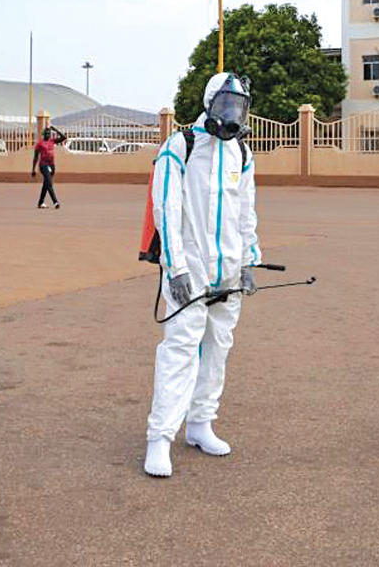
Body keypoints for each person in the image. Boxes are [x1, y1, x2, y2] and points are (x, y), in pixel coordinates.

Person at [144, 72, 262, 477]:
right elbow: (166, 210)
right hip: (188, 272)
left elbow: (246, 213)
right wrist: (174, 267)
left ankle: (200, 423)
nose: (231, 113)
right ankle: (160, 438)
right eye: (225, 104)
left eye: (238, 106)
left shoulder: (242, 156)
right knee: (179, 351)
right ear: (210, 104)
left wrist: (248, 261)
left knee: (218, 349)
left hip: (227, 272)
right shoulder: (182, 147)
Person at [31, 125, 65, 209]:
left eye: (49, 133)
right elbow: (35, 157)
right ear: (43, 134)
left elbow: (64, 137)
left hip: (51, 165)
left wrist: (55, 129)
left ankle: (40, 202)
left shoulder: (52, 141)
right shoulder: (40, 144)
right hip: (43, 165)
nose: (47, 135)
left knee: (46, 184)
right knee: (49, 183)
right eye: (46, 133)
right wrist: (33, 169)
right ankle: (55, 202)